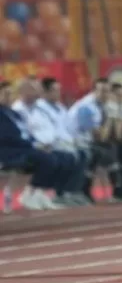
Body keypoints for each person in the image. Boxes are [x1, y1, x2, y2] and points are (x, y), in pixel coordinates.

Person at [12, 78, 86, 207]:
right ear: (23, 91)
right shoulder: (18, 109)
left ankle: (45, 193)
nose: (37, 94)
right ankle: (33, 192)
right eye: (33, 90)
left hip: (46, 145)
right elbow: (23, 134)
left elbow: (50, 129)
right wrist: (38, 145)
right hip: (24, 148)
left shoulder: (37, 109)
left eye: (37, 90)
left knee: (70, 156)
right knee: (53, 159)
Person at [0, 81, 70, 210]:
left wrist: (37, 143)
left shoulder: (15, 114)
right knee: (47, 159)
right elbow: (8, 137)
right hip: (10, 151)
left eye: (11, 94)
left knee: (58, 157)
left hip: (24, 148)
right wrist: (32, 145)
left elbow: (27, 132)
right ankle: (30, 192)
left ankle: (40, 193)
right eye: (6, 94)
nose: (9, 97)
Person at [67, 77, 111, 202]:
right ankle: (82, 190)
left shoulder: (100, 106)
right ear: (94, 91)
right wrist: (108, 124)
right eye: (102, 91)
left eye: (107, 91)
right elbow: (97, 135)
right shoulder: (86, 106)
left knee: (109, 151)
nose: (105, 94)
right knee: (97, 153)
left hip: (85, 141)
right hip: (73, 141)